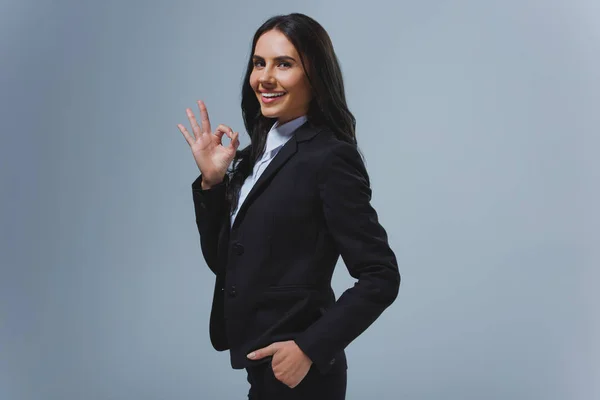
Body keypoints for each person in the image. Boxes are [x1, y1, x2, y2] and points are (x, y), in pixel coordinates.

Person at [177, 12, 400, 400]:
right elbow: (226, 264)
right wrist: (213, 183)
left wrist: (309, 348)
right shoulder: (251, 158)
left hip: (302, 376)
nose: (265, 77)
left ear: (315, 74)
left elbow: (381, 275)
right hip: (259, 368)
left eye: (284, 63)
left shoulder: (330, 157)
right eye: (258, 63)